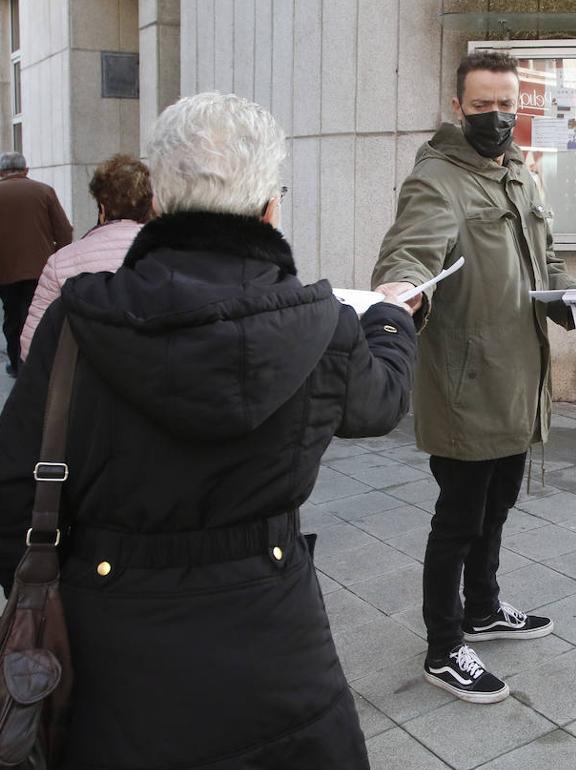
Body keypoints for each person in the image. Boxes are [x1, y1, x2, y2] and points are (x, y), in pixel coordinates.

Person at [0, 92, 418, 769]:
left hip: (110, 652)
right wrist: (393, 321)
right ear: (271, 206)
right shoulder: (324, 325)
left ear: (158, 203)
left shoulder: (77, 324)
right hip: (278, 646)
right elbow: (381, 404)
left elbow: (14, 491)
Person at [373, 50, 576, 705]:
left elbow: (545, 260)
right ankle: (443, 648)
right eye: (482, 105)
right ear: (458, 107)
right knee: (457, 519)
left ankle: (484, 608)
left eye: (505, 105)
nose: (496, 117)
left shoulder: (521, 175)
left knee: (498, 505)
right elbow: (411, 251)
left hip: (521, 380)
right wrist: (401, 288)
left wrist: (575, 297)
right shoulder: (438, 180)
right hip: (467, 385)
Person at [20, 154, 152, 361]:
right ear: (151, 206)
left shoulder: (60, 263)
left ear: (102, 208)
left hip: (82, 386)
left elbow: (32, 345)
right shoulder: (173, 257)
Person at [0, 151, 73, 377]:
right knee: (38, 315)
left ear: (1, 172)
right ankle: (36, 364)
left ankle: (16, 362)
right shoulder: (44, 191)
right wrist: (55, 256)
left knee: (12, 317)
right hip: (39, 268)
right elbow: (64, 230)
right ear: (26, 170)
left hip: (5, 270)